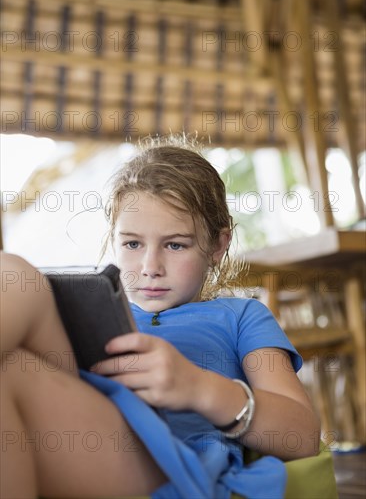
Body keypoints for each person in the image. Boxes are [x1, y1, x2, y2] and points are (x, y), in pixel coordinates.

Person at [1, 137, 320, 499]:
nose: (150, 268)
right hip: (75, 435)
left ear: (217, 246)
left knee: (17, 277)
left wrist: (198, 388)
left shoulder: (241, 316)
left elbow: (303, 436)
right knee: (12, 334)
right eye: (133, 244)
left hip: (171, 463)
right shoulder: (90, 310)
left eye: (175, 245)